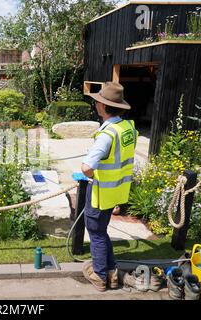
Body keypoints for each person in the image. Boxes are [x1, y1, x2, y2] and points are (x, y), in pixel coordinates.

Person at [81, 82, 138, 292]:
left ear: (103, 107)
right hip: (116, 192)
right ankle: (112, 273)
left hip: (100, 192)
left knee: (96, 233)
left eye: (98, 101)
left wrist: (91, 173)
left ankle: (99, 276)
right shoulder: (127, 128)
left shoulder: (106, 134)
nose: (96, 104)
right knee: (102, 232)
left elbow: (87, 167)